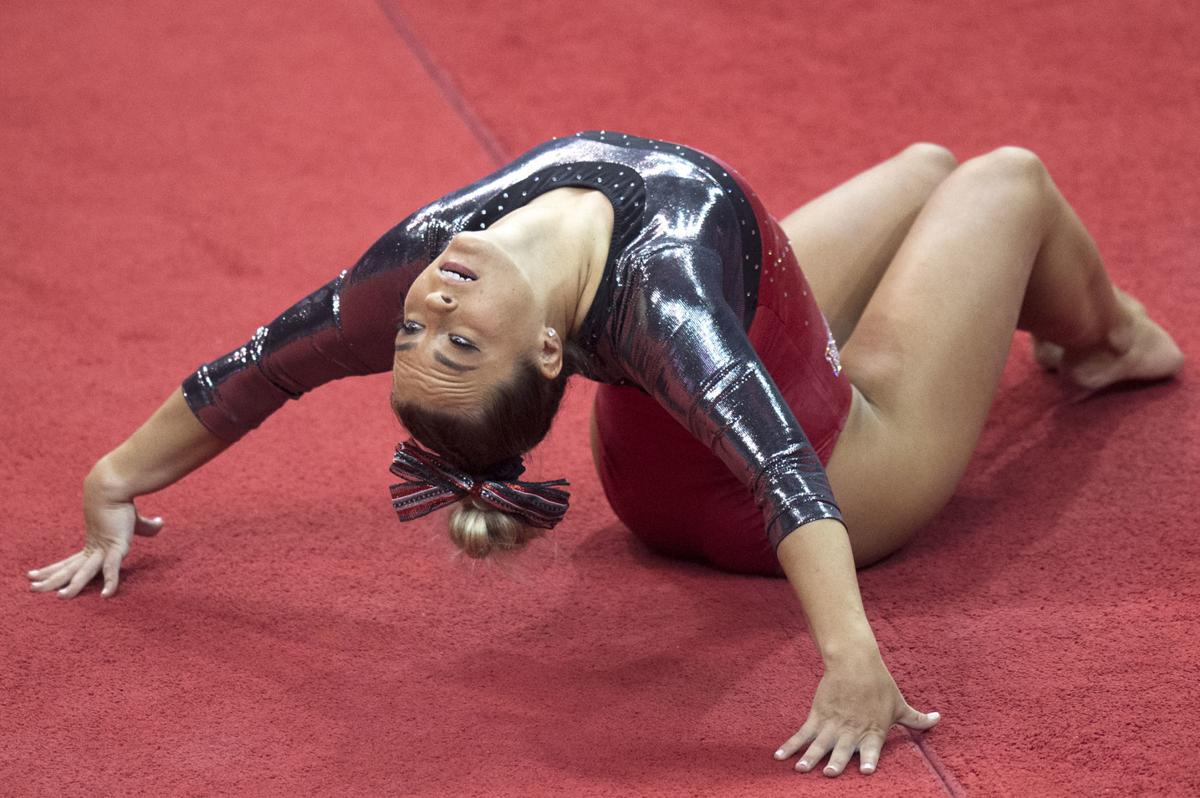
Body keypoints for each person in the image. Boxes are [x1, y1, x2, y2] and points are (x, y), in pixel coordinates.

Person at [26, 131, 1183, 778]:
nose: (427, 309)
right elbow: (786, 474)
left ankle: (1042, 318)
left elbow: (260, 365)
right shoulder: (665, 302)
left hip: (658, 461)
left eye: (424, 334)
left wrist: (113, 478)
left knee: (929, 167)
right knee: (1008, 178)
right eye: (449, 336)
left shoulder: (433, 261)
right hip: (823, 472)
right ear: (540, 348)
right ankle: (1119, 340)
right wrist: (851, 658)